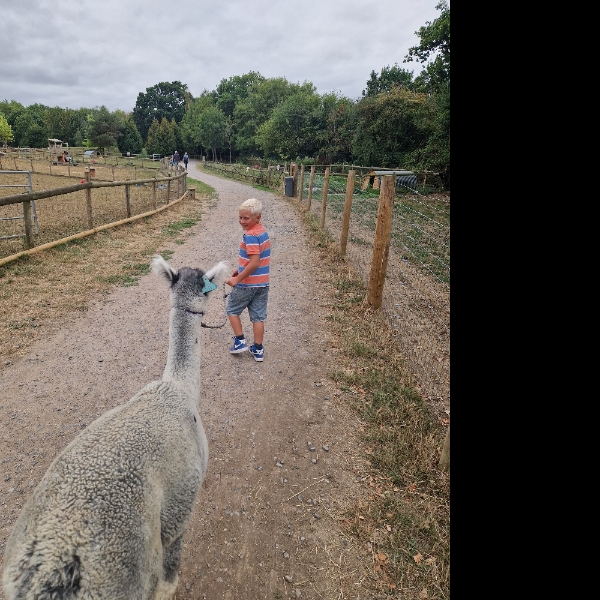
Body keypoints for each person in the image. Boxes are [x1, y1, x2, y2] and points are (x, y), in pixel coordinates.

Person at [225, 198, 270, 362]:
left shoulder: (250, 236)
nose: (242, 221)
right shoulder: (262, 231)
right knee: (258, 316)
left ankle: (240, 341)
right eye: (240, 217)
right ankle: (258, 349)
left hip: (247, 284)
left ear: (258, 217)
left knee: (232, 310)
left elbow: (255, 262)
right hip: (262, 284)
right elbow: (256, 260)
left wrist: (237, 279)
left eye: (246, 218)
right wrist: (240, 269)